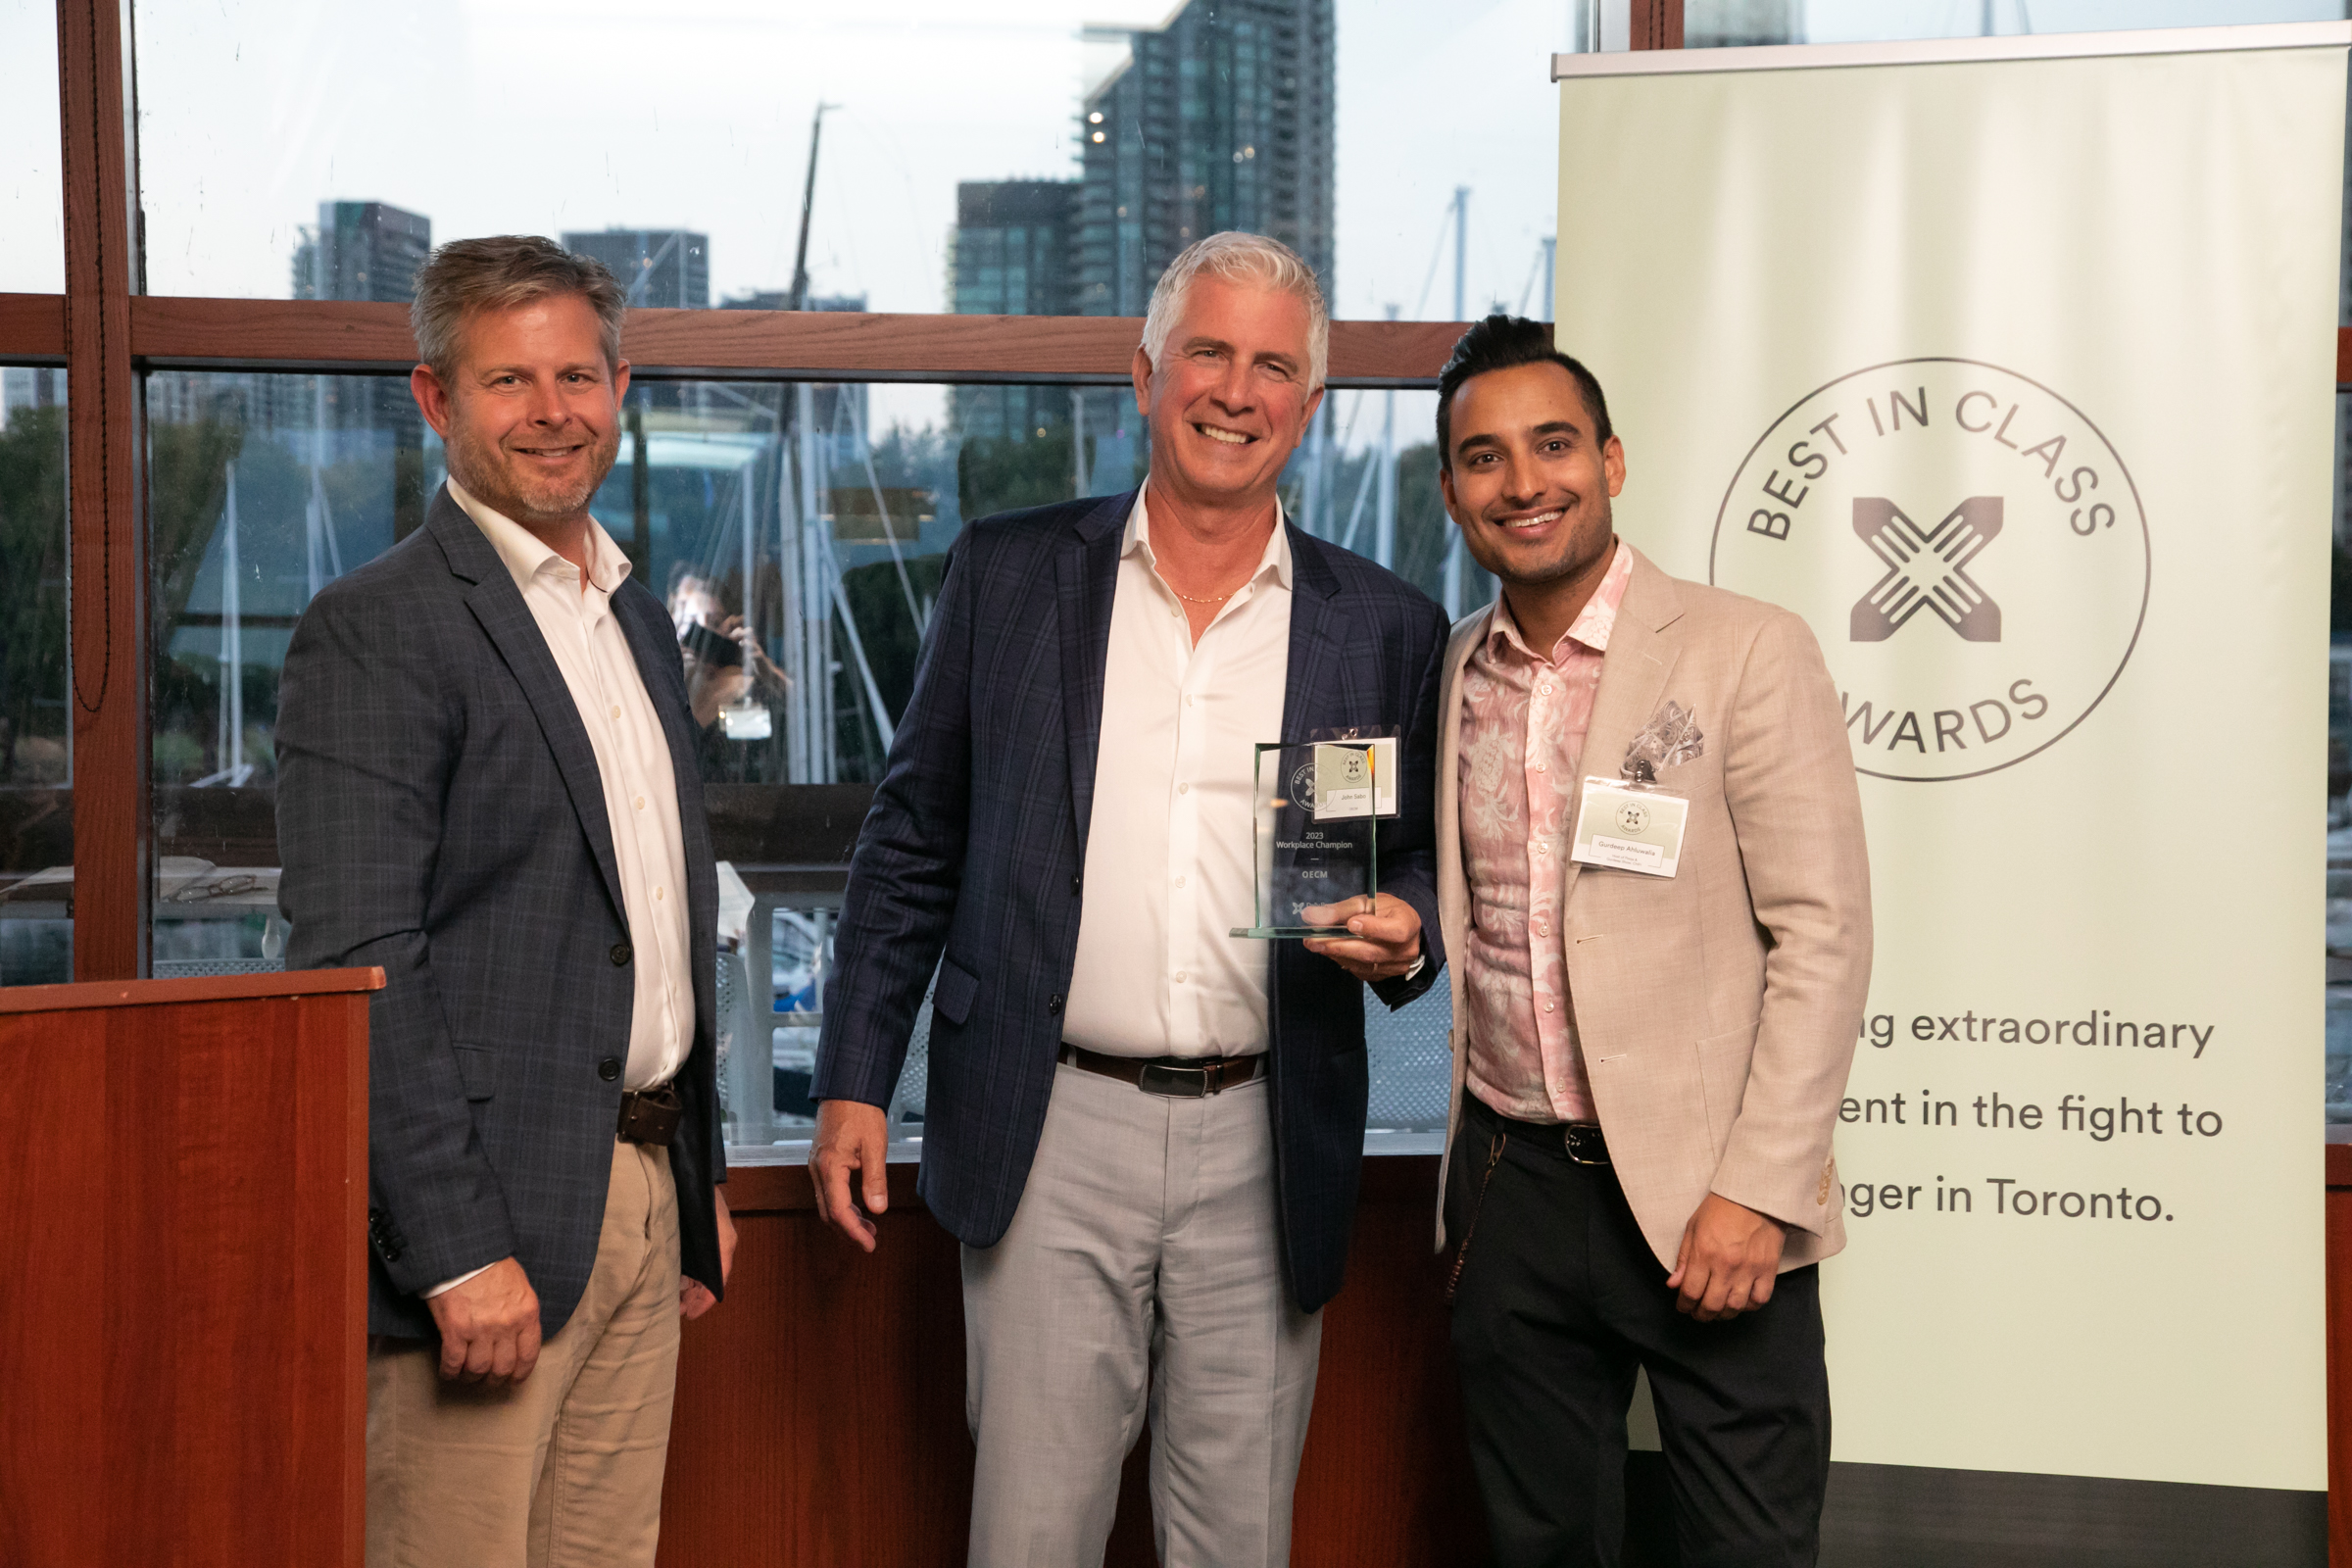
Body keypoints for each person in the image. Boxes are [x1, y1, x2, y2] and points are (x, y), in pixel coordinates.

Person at [808, 231, 1449, 1568]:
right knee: (1032, 1534)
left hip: (1267, 1141)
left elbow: (1416, 861)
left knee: (1236, 1542)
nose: (1236, 389)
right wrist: (855, 1077)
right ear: (1144, 375)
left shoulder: (1380, 622)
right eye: (1207, 352)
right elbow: (913, 838)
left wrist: (1408, 937)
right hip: (1049, 1128)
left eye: (1273, 365)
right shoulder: (1010, 572)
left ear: (1310, 406)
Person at [276, 234, 736, 1568]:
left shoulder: (633, 616)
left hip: (641, 1198)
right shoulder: (379, 627)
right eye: (508, 382)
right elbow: (362, 957)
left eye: (578, 377)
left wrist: (687, 1191)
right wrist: (452, 1251)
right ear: (434, 399)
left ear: (621, 384)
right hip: (487, 1231)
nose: (553, 413)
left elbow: (651, 913)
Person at [1428, 315, 1871, 1568]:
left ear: (1613, 462)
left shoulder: (1746, 650)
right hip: (1511, 1191)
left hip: (1707, 1200)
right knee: (1542, 1544)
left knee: (1747, 1549)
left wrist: (1757, 1192)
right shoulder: (1457, 668)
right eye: (1485, 456)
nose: (1524, 482)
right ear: (1453, 487)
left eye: (1554, 445)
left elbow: (1823, 937)